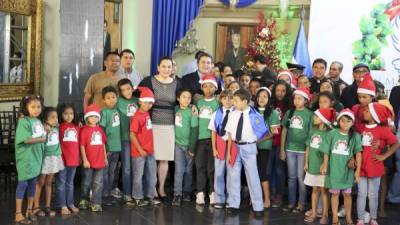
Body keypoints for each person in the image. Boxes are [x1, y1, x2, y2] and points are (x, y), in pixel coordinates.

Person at [138, 56, 182, 201]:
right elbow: (137, 96)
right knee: (151, 158)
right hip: (151, 124)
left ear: (172, 68)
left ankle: (161, 187)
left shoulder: (177, 83)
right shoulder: (148, 80)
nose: (166, 69)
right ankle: (151, 187)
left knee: (164, 158)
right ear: (158, 67)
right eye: (163, 66)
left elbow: (185, 100)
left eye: (169, 67)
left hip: (169, 124)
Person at [225, 88, 268, 217]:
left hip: (249, 147)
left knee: (253, 176)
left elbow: (263, 132)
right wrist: (229, 152)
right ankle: (233, 204)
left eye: (236, 101)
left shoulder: (254, 116)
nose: (233, 102)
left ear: (245, 101)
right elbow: (230, 133)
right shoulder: (232, 114)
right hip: (235, 146)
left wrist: (253, 143)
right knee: (233, 175)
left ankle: (258, 206)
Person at [356, 103, 400, 225]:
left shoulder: (383, 130)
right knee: (361, 194)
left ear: (374, 115)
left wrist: (384, 156)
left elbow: (396, 143)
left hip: (375, 167)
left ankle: (373, 218)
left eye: (367, 111)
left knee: (373, 195)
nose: (364, 112)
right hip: (361, 167)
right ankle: (360, 218)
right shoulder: (360, 127)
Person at [322, 109, 362, 225]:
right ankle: (335, 216)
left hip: (346, 171)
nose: (345, 124)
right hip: (334, 169)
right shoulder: (332, 134)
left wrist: (357, 171)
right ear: (338, 121)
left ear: (352, 123)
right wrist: (325, 165)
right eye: (343, 121)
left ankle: (349, 217)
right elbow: (326, 152)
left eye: (348, 121)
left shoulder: (355, 136)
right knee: (334, 194)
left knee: (347, 194)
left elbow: (358, 153)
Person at [280, 87, 313, 213]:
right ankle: (291, 202)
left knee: (301, 177)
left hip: (303, 151)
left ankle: (302, 203)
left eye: (300, 98)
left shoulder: (310, 114)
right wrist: (282, 149)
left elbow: (311, 134)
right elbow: (284, 131)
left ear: (305, 101)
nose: (296, 100)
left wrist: (308, 151)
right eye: (295, 98)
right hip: (289, 149)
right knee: (291, 177)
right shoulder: (290, 113)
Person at [14, 95, 46, 224]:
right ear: (26, 108)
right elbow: (25, 139)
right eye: (33, 107)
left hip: (36, 158)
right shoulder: (24, 121)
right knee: (23, 184)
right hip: (26, 159)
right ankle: (17, 213)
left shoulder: (38, 121)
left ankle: (29, 210)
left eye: (38, 106)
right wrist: (41, 139)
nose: (36, 109)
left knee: (33, 184)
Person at [303, 108, 335, 224]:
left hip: (322, 168)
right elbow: (308, 147)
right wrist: (306, 162)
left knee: (324, 192)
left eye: (316, 117)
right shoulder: (312, 131)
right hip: (312, 165)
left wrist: (324, 164)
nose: (314, 118)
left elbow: (330, 152)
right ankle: (315, 212)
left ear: (323, 119)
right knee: (314, 190)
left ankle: (325, 215)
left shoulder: (329, 133)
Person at [33, 107, 64, 217]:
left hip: (54, 158)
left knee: (49, 183)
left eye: (56, 117)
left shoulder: (56, 127)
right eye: (52, 117)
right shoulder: (42, 128)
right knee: (40, 182)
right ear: (45, 119)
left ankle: (47, 206)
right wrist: (44, 130)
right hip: (45, 158)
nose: (56, 119)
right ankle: (35, 207)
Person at [130, 87, 158, 206]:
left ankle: (149, 196)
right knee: (138, 175)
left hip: (150, 151)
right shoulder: (137, 116)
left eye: (151, 103)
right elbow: (132, 135)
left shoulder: (146, 113)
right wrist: (140, 149)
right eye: (146, 102)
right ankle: (137, 197)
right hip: (139, 152)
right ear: (140, 101)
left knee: (152, 175)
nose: (148, 105)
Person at [78, 104, 108, 212]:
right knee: (86, 181)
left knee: (98, 183)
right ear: (87, 118)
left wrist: (105, 158)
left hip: (100, 161)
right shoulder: (84, 130)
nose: (94, 118)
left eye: (96, 116)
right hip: (88, 162)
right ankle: (84, 199)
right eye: (91, 116)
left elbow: (103, 144)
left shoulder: (100, 130)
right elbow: (81, 146)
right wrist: (85, 160)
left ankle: (96, 202)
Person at [195, 75, 219, 205]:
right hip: (200, 139)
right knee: (200, 167)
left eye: (211, 86)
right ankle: (200, 192)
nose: (208, 89)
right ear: (202, 88)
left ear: (215, 88)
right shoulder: (198, 103)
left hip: (213, 140)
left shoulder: (218, 103)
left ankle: (212, 192)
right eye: (205, 86)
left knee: (212, 168)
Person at [172, 89, 198, 206]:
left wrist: (192, 148)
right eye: (184, 97)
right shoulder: (175, 109)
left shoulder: (192, 112)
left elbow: (194, 130)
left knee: (188, 170)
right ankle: (177, 194)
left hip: (188, 146)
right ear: (178, 98)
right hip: (178, 145)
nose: (186, 100)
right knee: (179, 170)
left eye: (189, 98)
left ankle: (187, 191)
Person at [255, 87, 280, 209]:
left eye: (265, 96)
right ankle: (254, 198)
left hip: (264, 147)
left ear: (269, 99)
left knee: (262, 173)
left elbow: (273, 132)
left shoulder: (273, 113)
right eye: (259, 96)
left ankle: (267, 199)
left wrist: (259, 140)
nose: (261, 99)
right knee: (252, 173)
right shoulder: (251, 111)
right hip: (250, 147)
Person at [208, 90, 234, 209]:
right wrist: (214, 148)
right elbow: (213, 132)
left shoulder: (236, 113)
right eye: (225, 98)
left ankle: (230, 198)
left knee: (231, 173)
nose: (227, 100)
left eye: (230, 98)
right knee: (218, 173)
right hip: (219, 144)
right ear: (221, 99)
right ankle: (219, 198)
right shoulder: (216, 113)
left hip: (232, 145)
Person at [270, 80, 293, 207]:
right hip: (268, 141)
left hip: (281, 142)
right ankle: (270, 193)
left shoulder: (290, 107)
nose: (280, 93)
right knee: (269, 170)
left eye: (283, 91)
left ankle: (279, 195)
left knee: (279, 170)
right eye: (278, 90)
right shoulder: (270, 104)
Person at [116, 78, 138, 204]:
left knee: (137, 167)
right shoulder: (117, 101)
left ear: (132, 88)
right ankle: (127, 193)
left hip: (137, 140)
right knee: (127, 168)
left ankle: (137, 193)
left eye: (128, 88)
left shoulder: (138, 101)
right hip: (124, 139)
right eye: (123, 90)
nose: (127, 91)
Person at [99, 86, 121, 206]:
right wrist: (105, 148)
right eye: (108, 98)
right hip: (107, 149)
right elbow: (101, 130)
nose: (111, 100)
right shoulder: (104, 112)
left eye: (113, 97)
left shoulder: (117, 110)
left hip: (117, 147)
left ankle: (108, 191)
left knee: (112, 172)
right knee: (104, 172)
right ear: (103, 100)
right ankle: (103, 193)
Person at [56, 103, 80, 215]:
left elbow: (79, 144)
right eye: (66, 113)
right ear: (61, 114)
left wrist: (80, 156)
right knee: (61, 182)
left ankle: (70, 203)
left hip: (74, 159)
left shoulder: (77, 127)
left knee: (70, 182)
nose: (69, 116)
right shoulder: (59, 127)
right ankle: (63, 205)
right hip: (62, 159)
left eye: (71, 113)